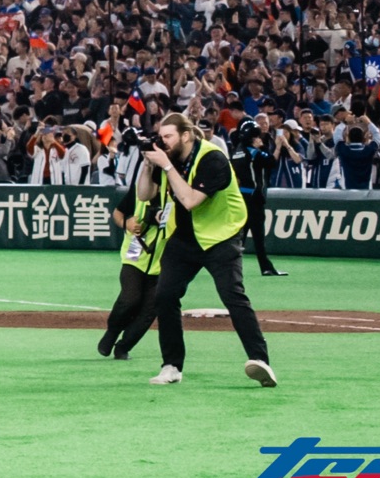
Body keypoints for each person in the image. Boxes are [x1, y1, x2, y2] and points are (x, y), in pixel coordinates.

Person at [107, 112, 276, 388]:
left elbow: (190, 200)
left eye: (168, 136)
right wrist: (148, 164)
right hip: (184, 238)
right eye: (161, 136)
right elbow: (144, 195)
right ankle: (171, 365)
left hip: (220, 236)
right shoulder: (168, 157)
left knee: (232, 296)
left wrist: (166, 166)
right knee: (164, 295)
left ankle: (260, 360)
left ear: (186, 136)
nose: (163, 142)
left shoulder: (212, 158)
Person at [96, 188, 171, 360]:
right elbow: (117, 213)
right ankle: (112, 332)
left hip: (163, 263)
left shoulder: (180, 194)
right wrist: (126, 224)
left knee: (150, 310)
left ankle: (124, 346)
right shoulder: (140, 189)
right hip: (134, 255)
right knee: (130, 298)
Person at [228, 118, 287, 277]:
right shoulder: (253, 152)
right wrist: (278, 146)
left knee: (240, 234)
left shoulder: (236, 151)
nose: (259, 139)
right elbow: (271, 162)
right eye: (257, 136)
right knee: (258, 235)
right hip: (254, 197)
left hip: (240, 196)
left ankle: (231, 266)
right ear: (252, 138)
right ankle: (266, 267)